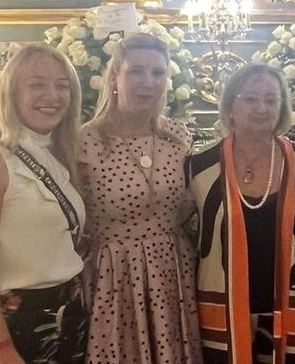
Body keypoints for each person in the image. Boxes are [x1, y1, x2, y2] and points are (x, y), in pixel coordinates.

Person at [187, 63, 295, 363]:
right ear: (229, 106)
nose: (261, 108)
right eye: (250, 99)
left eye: (271, 99)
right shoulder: (197, 168)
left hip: (293, 310)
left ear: (282, 109)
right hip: (218, 312)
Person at [0, 45, 88, 363]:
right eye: (37, 84)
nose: (53, 96)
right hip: (11, 323)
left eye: (62, 85)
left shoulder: (54, 153)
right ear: (11, 92)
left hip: (63, 315)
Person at [78, 33, 201, 363]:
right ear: (114, 77)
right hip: (114, 276)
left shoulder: (178, 137)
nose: (148, 82)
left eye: (158, 73)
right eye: (136, 71)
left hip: (174, 270)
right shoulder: (83, 143)